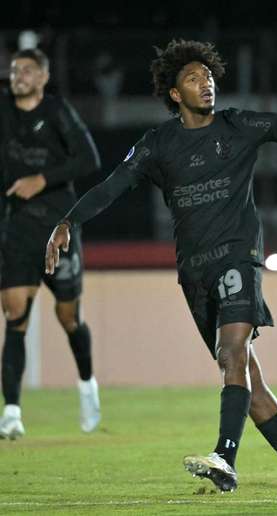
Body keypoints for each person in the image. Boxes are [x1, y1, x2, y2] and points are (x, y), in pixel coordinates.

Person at [45, 39, 277, 498]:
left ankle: (224, 457)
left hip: (238, 257)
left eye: (210, 77)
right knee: (245, 378)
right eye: (194, 79)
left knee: (234, 350)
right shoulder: (158, 144)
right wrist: (68, 221)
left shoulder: (238, 126)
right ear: (175, 94)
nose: (207, 85)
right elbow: (112, 186)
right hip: (194, 274)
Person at [0, 48, 102, 439]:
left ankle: (87, 385)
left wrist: (40, 180)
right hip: (17, 229)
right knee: (15, 317)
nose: (18, 76)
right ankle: (11, 412)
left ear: (42, 77)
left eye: (27, 70)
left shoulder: (57, 111)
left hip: (58, 227)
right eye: (14, 70)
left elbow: (89, 159)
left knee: (68, 317)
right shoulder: (4, 113)